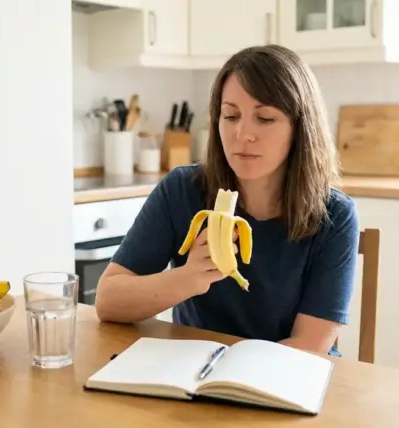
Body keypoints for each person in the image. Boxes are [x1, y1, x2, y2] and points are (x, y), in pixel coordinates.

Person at [93, 44, 360, 356]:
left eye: (265, 118)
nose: (242, 134)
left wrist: (231, 380)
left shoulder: (334, 215)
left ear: (300, 127)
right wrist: (188, 278)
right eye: (231, 115)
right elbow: (107, 301)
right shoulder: (182, 190)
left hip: (287, 377)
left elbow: (309, 345)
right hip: (197, 372)